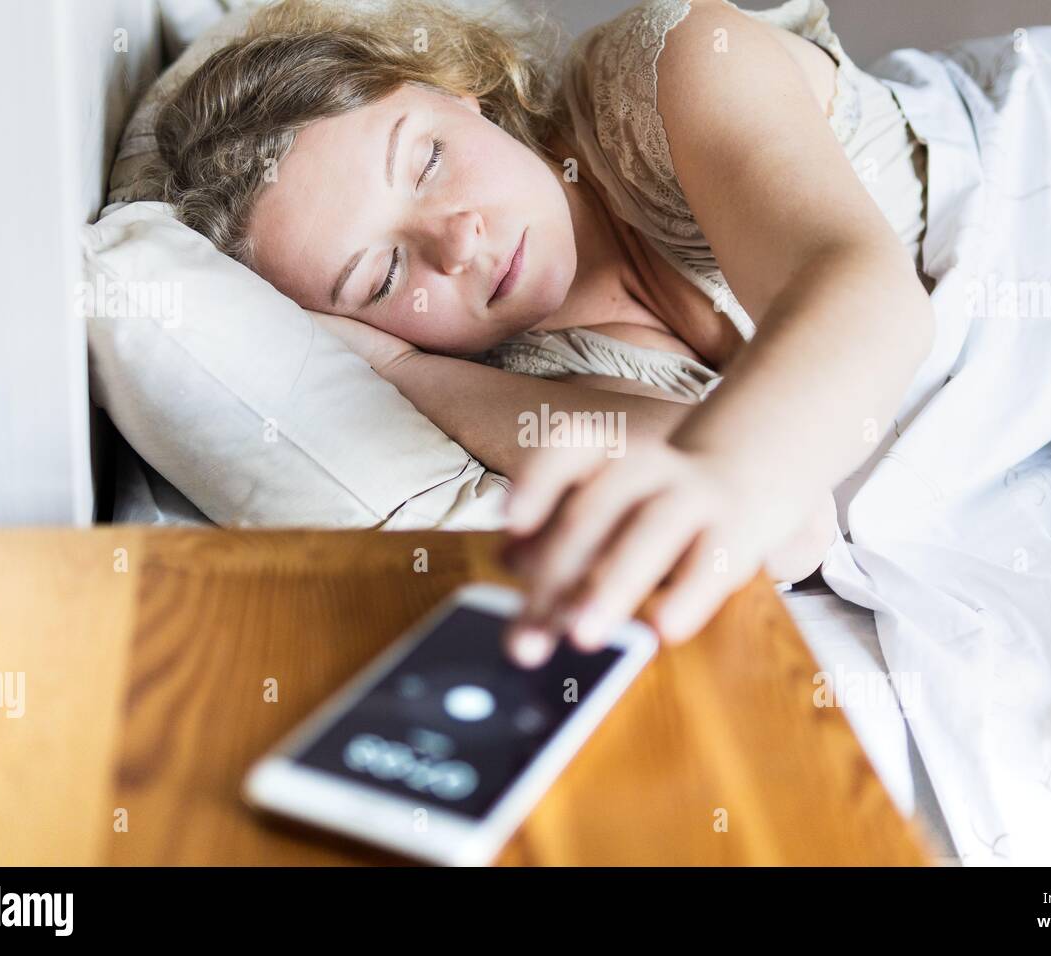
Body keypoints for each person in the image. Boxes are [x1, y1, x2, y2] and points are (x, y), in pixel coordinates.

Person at [155, 0, 934, 666]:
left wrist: (725, 472)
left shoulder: (674, 72)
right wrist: (400, 371)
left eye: (427, 162)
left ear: (464, 95)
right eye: (383, 278)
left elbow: (863, 293)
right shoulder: (539, 374)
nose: (458, 245)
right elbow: (792, 531)